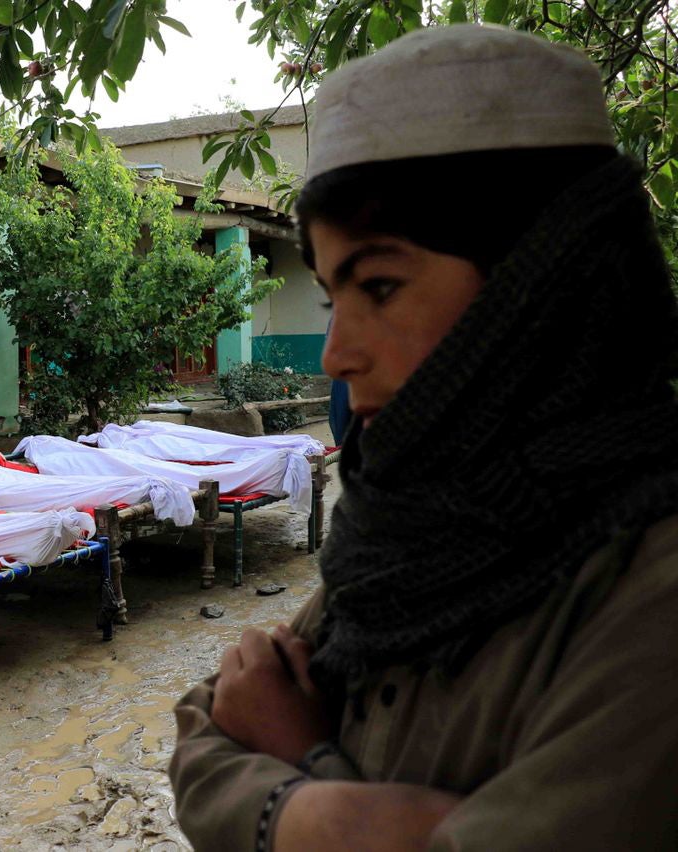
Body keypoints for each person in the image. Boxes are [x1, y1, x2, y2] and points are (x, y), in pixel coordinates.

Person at [169, 25, 678, 852]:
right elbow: (209, 716)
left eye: (380, 284)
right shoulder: (403, 537)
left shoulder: (647, 599)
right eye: (336, 298)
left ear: (544, 285)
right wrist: (346, 819)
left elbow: (243, 729)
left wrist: (299, 758)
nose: (337, 354)